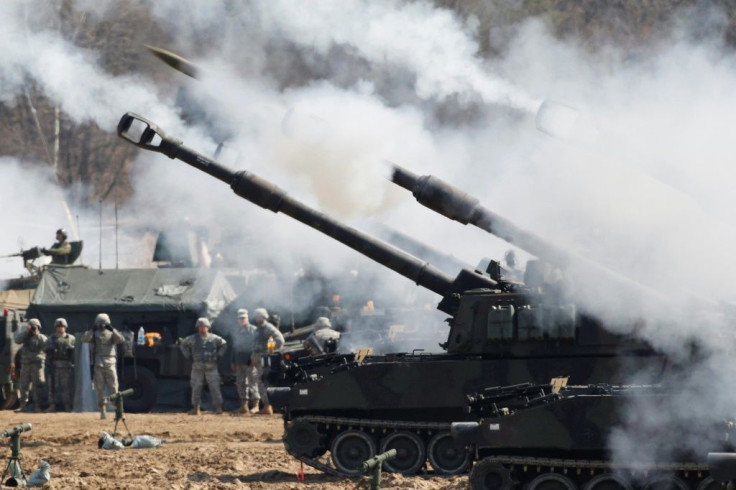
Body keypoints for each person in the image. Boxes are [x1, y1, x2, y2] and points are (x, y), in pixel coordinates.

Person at [179, 317, 227, 415]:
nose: (202, 328)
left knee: (215, 387)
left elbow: (224, 344)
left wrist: (219, 355)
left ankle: (218, 407)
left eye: (204, 326)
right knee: (196, 387)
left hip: (211, 366)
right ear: (197, 327)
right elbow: (183, 345)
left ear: (208, 327)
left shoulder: (214, 338)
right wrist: (188, 355)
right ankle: (196, 408)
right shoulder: (192, 338)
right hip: (197, 366)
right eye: (200, 327)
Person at [82, 313, 124, 419]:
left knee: (114, 386)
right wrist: (92, 329)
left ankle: (117, 410)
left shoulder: (112, 333)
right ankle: (102, 410)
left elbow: (120, 340)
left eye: (104, 323)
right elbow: (85, 339)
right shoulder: (94, 334)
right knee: (99, 388)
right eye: (100, 324)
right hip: (98, 362)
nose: (102, 326)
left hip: (110, 360)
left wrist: (112, 329)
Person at [248, 308, 284, 415]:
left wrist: (269, 351)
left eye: (257, 316)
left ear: (262, 317)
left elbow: (279, 340)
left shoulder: (268, 328)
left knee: (265, 382)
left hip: (264, 360)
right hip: (259, 360)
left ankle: (268, 407)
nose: (255, 318)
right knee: (261, 382)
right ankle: (266, 406)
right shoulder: (258, 329)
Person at [13, 318, 48, 412]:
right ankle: (23, 406)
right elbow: (17, 340)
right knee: (23, 385)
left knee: (37, 386)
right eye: (32, 326)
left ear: (39, 327)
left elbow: (47, 347)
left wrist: (36, 334)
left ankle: (37, 406)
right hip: (26, 364)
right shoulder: (25, 337)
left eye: (35, 327)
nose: (33, 328)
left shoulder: (42, 337)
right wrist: (26, 332)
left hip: (37, 365)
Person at [44, 318, 76, 412]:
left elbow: (74, 353)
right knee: (52, 387)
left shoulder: (71, 338)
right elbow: (45, 350)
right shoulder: (51, 338)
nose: (60, 328)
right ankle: (52, 405)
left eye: (62, 326)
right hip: (53, 365)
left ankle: (67, 406)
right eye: (58, 326)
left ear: (65, 327)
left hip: (66, 366)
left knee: (66, 387)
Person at [230, 308, 255, 414]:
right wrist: (232, 361)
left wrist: (254, 359)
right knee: (240, 384)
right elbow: (234, 347)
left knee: (253, 383)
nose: (242, 320)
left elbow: (257, 346)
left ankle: (256, 405)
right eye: (240, 318)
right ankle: (244, 406)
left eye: (244, 318)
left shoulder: (253, 330)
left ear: (247, 318)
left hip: (250, 361)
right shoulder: (236, 332)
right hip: (239, 361)